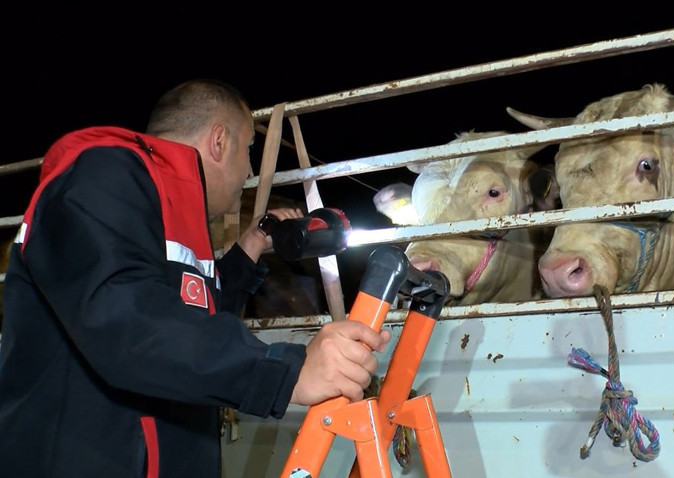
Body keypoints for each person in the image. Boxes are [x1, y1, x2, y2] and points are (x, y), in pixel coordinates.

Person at [0, 79, 390, 477]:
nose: (250, 170)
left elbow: (190, 318)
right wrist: (284, 372)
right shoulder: (100, 174)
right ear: (219, 141)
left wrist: (252, 245)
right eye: (248, 150)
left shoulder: (169, 205)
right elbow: (126, 320)